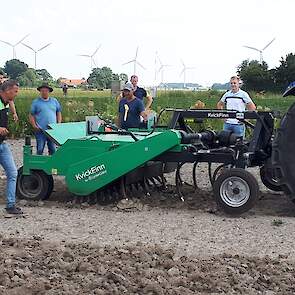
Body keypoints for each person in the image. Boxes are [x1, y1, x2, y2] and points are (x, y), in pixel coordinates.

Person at [0, 80, 23, 214]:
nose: (16, 94)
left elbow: (11, 103)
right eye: (15, 91)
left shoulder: (5, 103)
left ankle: (10, 205)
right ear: (7, 90)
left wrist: (14, 113)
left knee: (13, 173)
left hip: (2, 144)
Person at [29, 84, 62, 155]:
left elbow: (58, 112)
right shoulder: (36, 102)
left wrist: (58, 124)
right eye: (42, 91)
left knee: (53, 149)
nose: (44, 92)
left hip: (52, 130)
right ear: (40, 91)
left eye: (46, 91)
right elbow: (31, 115)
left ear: (49, 92)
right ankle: (39, 165)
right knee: (40, 149)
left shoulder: (54, 101)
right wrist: (34, 126)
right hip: (40, 130)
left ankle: (52, 164)